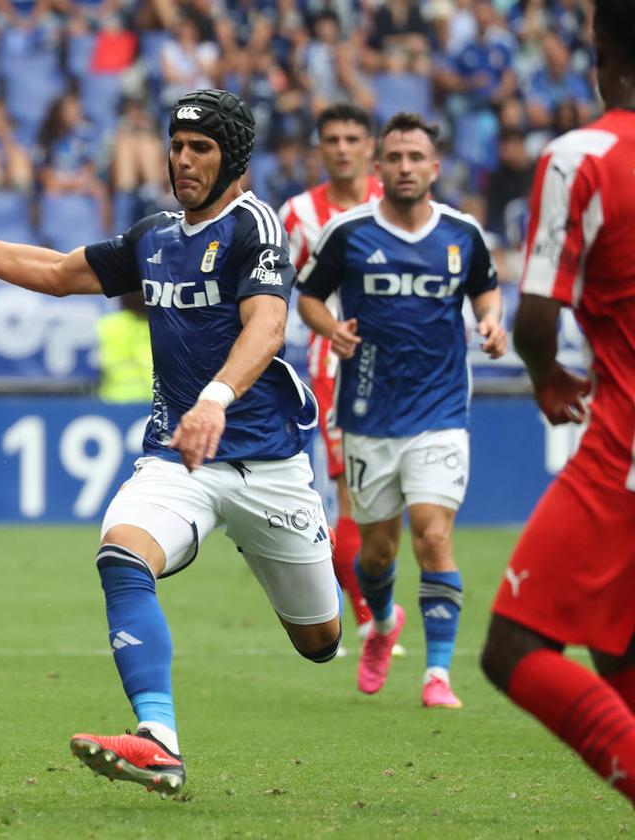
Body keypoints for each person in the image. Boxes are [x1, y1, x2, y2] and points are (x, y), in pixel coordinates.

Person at [0, 88, 341, 796]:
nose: (182, 160)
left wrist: (215, 398)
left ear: (234, 157)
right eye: (177, 146)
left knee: (320, 642)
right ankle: (159, 737)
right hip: (180, 455)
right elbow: (59, 274)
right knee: (121, 553)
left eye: (200, 148)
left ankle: (295, 565)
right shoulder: (155, 236)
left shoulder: (254, 228)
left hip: (267, 463)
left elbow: (267, 328)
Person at [296, 112, 508, 708]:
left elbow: (485, 286)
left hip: (440, 410)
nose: (406, 167)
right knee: (378, 551)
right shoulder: (348, 232)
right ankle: (384, 625)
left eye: (416, 158)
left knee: (432, 535)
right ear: (379, 166)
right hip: (366, 412)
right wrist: (330, 326)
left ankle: (437, 675)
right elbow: (308, 295)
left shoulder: (462, 234)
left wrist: (492, 321)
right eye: (395, 158)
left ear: (434, 168)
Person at [479, 0, 635, 805]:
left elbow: (536, 313)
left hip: (625, 451)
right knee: (622, 655)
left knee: (512, 646)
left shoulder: (584, 155)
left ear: (598, 45)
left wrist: (544, 376)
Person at [279, 103, 385, 656]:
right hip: (335, 369)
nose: (343, 148)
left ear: (370, 145)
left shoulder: (395, 206)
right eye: (333, 139)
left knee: (389, 507)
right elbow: (270, 285)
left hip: (404, 370)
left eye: (352, 137)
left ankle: (373, 612)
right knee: (345, 498)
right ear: (319, 149)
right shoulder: (295, 214)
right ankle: (366, 618)